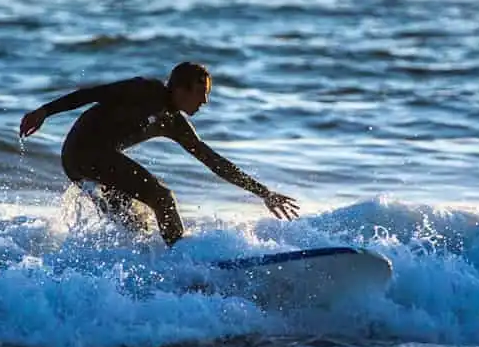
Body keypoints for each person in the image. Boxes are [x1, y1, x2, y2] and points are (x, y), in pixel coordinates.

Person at [18, 62, 299, 247]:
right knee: (162, 197)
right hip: (83, 152)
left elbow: (213, 161)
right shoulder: (143, 90)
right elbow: (92, 94)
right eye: (201, 93)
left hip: (91, 162)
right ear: (180, 88)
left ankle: (144, 274)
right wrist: (45, 111)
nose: (205, 101)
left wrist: (263, 192)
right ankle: (182, 259)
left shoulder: (175, 123)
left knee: (138, 224)